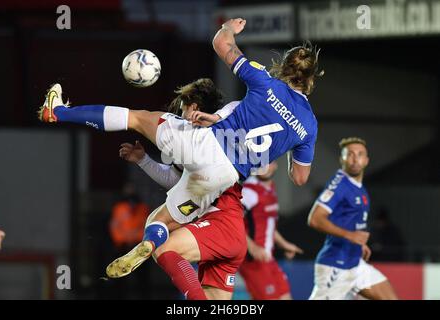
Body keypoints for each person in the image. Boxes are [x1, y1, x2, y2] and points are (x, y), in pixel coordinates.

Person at [38, 18, 323, 278]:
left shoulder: (264, 81)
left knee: (136, 119)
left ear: (284, 67)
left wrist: (229, 29)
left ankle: (59, 112)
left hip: (205, 144)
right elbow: (299, 178)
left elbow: (221, 44)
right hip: (223, 178)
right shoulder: (309, 126)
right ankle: (149, 242)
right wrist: (289, 147)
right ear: (311, 79)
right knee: (159, 219)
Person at [118, 79, 246, 300]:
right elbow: (179, 182)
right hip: (230, 232)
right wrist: (143, 160)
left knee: (164, 248)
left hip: (220, 225)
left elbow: (179, 182)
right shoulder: (220, 142)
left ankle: (152, 236)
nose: (179, 115)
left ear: (194, 107)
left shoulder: (201, 143)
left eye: (182, 109)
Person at [307, 137, 398, 300]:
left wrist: (359, 244)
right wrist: (350, 236)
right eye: (350, 154)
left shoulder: (359, 187)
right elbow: (315, 219)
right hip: (335, 265)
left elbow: (351, 220)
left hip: (355, 262)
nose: (355, 159)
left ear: (366, 160)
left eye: (360, 154)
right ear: (341, 158)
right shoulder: (339, 185)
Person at [239, 161, 303, 300]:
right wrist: (253, 247)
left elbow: (267, 224)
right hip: (253, 261)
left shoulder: (270, 187)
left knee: (286, 297)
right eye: (260, 163)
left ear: (275, 165)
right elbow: (232, 221)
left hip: (268, 258)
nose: (264, 167)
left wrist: (284, 244)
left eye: (269, 162)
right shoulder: (249, 190)